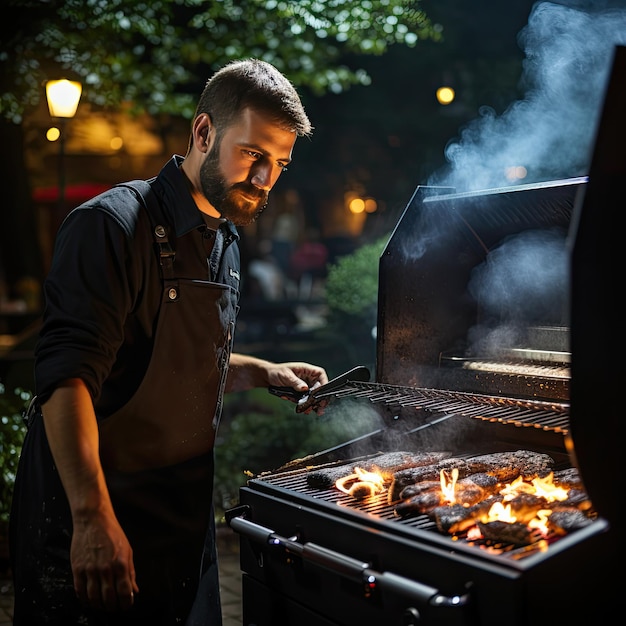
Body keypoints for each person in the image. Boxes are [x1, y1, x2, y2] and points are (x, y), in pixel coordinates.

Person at [9, 58, 328, 626]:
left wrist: (260, 370)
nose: (265, 180)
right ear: (203, 132)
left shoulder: (225, 237)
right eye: (253, 155)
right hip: (96, 516)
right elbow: (67, 379)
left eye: (279, 163)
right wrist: (91, 519)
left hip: (181, 519)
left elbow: (168, 362)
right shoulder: (110, 226)